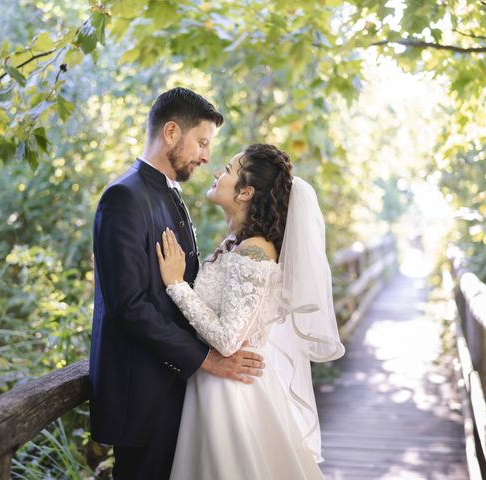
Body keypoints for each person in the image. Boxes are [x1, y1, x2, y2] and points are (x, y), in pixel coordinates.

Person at [89, 88, 266, 480]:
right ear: (171, 132)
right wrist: (208, 360)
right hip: (141, 397)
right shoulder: (123, 197)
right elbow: (129, 305)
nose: (205, 156)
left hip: (175, 390)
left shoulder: (171, 197)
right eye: (201, 142)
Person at [156, 144, 346, 479]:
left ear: (245, 192)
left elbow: (228, 340)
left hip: (232, 394)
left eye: (227, 170)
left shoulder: (255, 251)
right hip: (217, 385)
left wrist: (176, 284)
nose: (217, 173)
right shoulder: (236, 244)